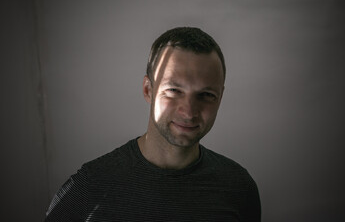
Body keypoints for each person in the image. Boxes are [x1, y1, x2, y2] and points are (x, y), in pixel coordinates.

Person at [44, 27, 261, 221]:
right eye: (174, 91)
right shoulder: (89, 187)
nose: (189, 112)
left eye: (206, 95)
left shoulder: (238, 187)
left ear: (220, 97)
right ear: (148, 90)